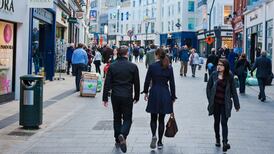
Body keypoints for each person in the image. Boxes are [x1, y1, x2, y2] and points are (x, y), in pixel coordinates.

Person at [102, 46, 140, 153]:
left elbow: (107, 83)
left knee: (117, 118)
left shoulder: (112, 66)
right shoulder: (133, 66)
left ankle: (117, 139)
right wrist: (137, 96)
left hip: (115, 95)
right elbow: (136, 83)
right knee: (127, 118)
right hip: (127, 95)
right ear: (127, 54)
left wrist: (105, 98)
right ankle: (123, 134)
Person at [142, 48, 177, 150]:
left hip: (154, 93)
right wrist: (173, 96)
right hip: (165, 93)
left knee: (153, 117)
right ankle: (160, 142)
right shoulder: (169, 67)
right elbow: (172, 84)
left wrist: (145, 92)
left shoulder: (152, 67)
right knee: (161, 119)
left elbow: (147, 81)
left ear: (157, 55)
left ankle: (153, 135)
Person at [206, 58, 240, 152]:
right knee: (216, 122)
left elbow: (233, 91)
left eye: (221, 65)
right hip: (215, 103)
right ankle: (217, 138)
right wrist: (210, 100)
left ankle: (225, 142)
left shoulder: (229, 76)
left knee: (224, 123)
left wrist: (237, 105)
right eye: (218, 64)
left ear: (225, 67)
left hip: (225, 104)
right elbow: (208, 88)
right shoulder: (214, 75)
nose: (219, 66)